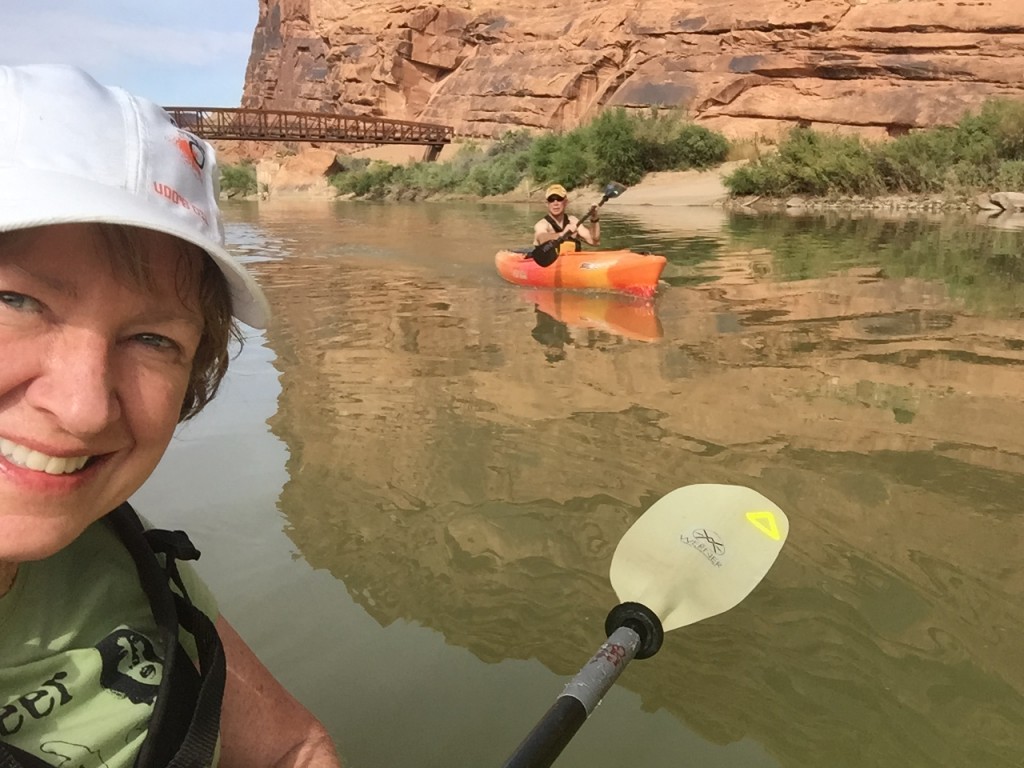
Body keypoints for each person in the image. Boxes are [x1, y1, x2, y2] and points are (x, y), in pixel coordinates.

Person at [0, 64, 341, 767]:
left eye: (154, 339)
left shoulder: (115, 554)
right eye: (15, 301)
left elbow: (294, 750)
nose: (84, 408)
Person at [532, 183, 600, 256]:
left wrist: (594, 218)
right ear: (547, 203)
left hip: (572, 263)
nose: (555, 203)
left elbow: (595, 242)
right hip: (547, 264)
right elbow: (542, 238)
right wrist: (563, 233)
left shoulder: (573, 221)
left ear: (565, 202)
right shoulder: (542, 224)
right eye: (551, 200)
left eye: (559, 199)